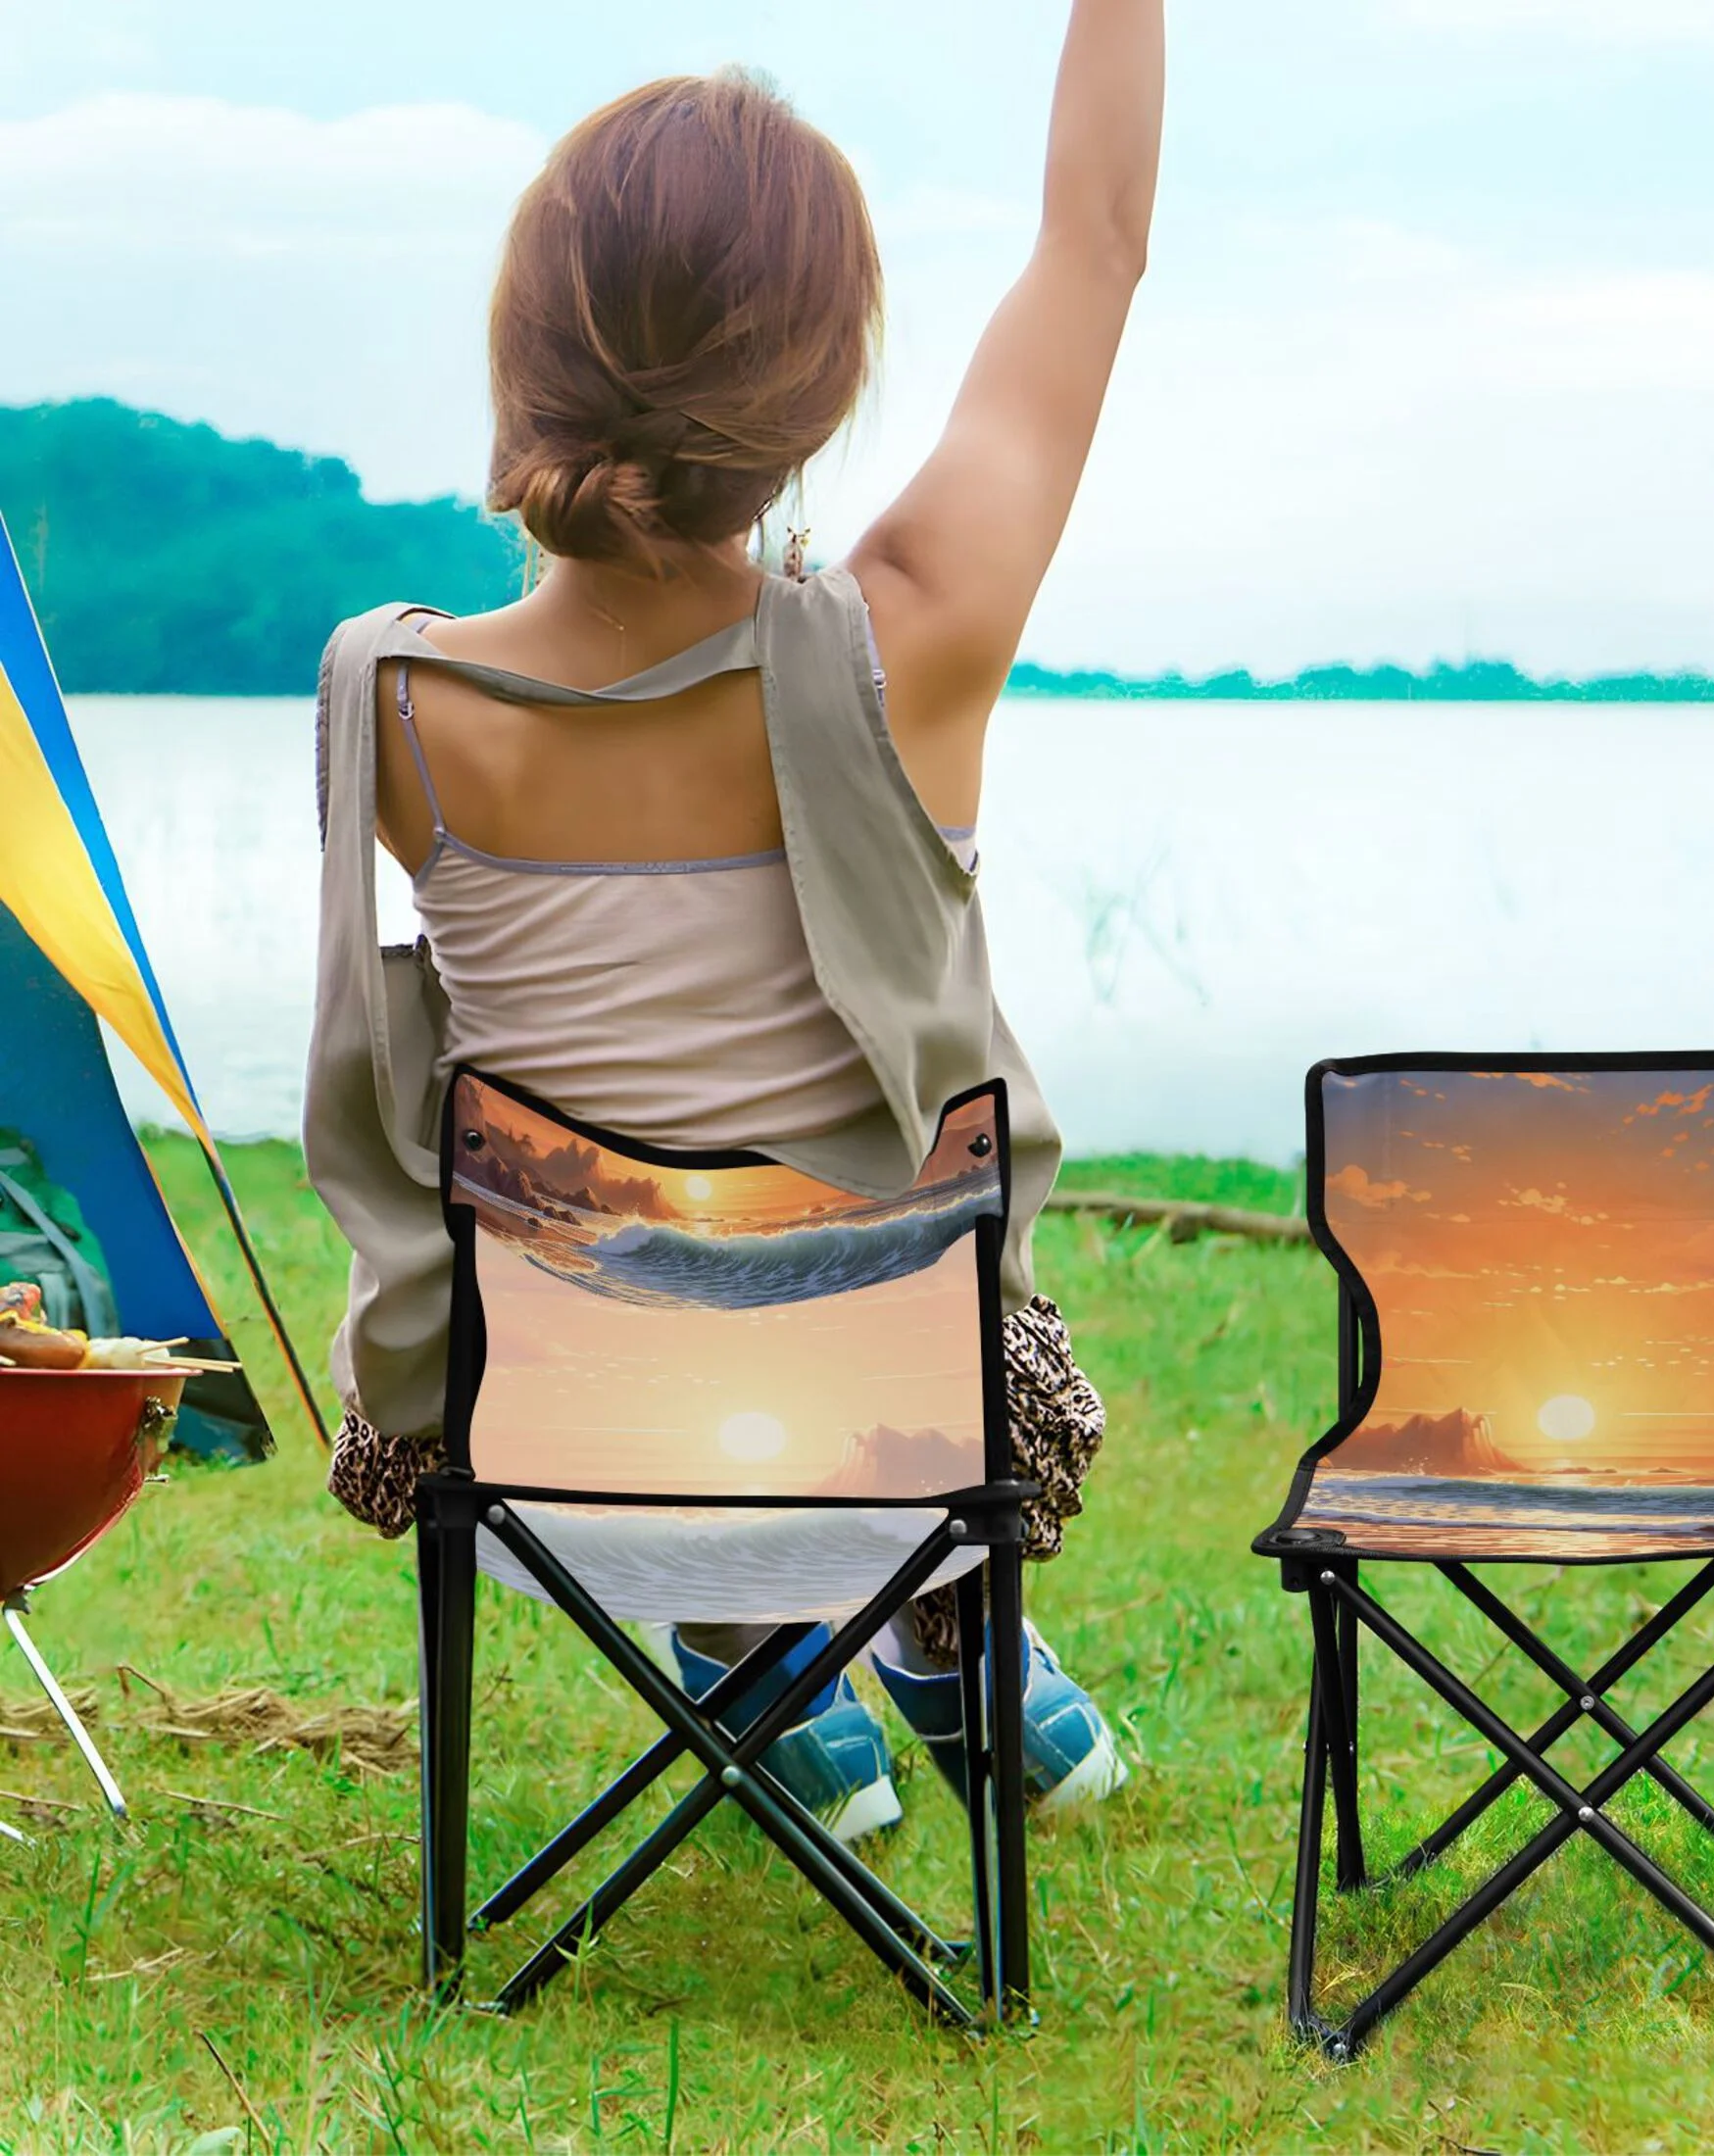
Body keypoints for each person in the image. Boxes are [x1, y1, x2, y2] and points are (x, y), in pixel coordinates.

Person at [304, 2, 1164, 1841]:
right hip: (906, 1433)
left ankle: (785, 1639)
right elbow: (1094, 241)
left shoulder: (394, 705)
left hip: (548, 1443)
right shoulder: (918, 635)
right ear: (823, 393)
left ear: (522, 358)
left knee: (663, 1237)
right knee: (893, 1173)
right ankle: (889, 1613)